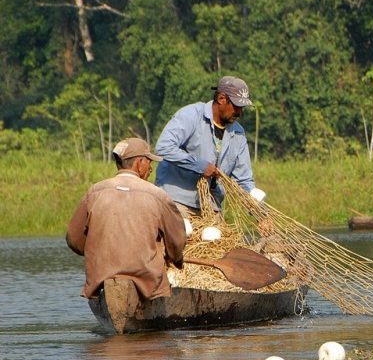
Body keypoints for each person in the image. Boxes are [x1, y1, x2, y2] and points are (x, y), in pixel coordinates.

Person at [66, 137, 186, 300]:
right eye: (149, 162)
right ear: (139, 163)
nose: (151, 168)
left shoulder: (94, 192)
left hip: (100, 279)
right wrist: (175, 259)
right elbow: (177, 241)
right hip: (148, 282)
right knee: (159, 285)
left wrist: (92, 251)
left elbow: (73, 239)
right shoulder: (158, 196)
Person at [154, 75, 264, 218]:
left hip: (212, 206)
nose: (240, 113)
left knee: (218, 233)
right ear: (221, 99)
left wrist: (260, 213)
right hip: (177, 201)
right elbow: (163, 148)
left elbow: (243, 179)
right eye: (236, 107)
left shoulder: (238, 133)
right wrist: (199, 165)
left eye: (242, 108)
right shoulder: (191, 115)